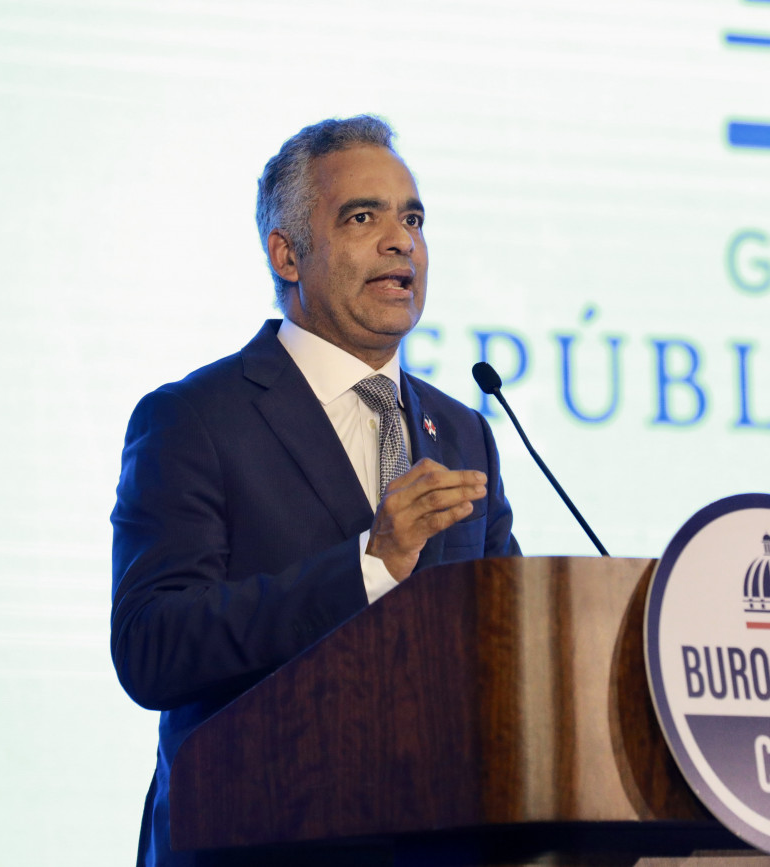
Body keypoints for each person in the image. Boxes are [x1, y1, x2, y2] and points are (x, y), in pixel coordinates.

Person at [110, 115, 519, 866]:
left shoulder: (464, 431)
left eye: (413, 219)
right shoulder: (196, 419)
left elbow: (506, 639)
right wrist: (369, 565)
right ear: (288, 254)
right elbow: (152, 647)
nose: (401, 242)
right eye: (363, 217)